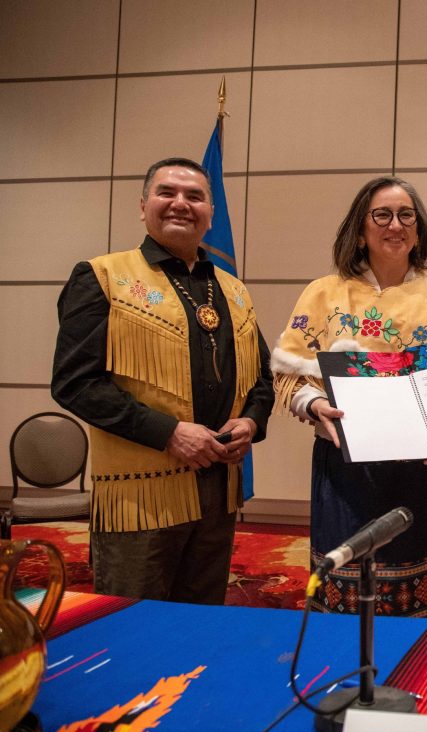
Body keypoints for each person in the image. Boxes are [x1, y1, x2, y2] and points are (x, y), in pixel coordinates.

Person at [271, 176, 427, 617]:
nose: (395, 225)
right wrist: (315, 405)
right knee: (354, 602)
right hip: (355, 474)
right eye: (382, 215)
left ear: (419, 228)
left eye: (406, 215)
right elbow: (289, 374)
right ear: (360, 230)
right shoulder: (324, 292)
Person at [52, 157, 274, 604]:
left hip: (217, 491)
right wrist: (169, 433)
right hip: (140, 495)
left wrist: (250, 423)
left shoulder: (234, 290)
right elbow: (75, 383)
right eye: (167, 192)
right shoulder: (101, 277)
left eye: (195, 196)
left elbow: (261, 379)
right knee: (132, 623)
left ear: (211, 213)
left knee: (202, 622)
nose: (180, 204)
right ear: (143, 206)